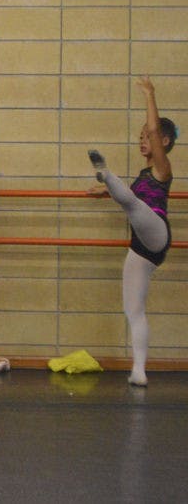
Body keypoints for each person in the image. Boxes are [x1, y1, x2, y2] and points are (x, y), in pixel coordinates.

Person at [87, 76, 176, 387]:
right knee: (133, 309)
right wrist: (108, 193)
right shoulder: (142, 175)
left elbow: (154, 127)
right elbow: (133, 199)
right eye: (140, 137)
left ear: (163, 142)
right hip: (141, 246)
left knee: (136, 207)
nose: (143, 140)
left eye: (147, 137)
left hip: (156, 231)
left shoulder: (162, 170)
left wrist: (151, 93)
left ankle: (107, 175)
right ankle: (139, 369)